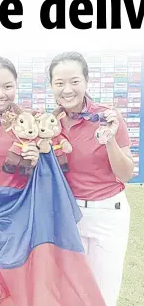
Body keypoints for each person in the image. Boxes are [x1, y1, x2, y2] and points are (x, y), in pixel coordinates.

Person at [0, 56, 106, 306]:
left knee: (24, 286)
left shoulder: (31, 123)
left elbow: (50, 167)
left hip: (25, 221)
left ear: (16, 86)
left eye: (8, 86)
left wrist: (37, 158)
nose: (1, 94)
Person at [48, 51, 134, 306]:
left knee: (103, 295)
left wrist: (109, 141)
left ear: (86, 82)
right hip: (68, 216)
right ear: (51, 85)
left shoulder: (108, 117)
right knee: (70, 292)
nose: (67, 89)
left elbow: (126, 174)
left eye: (74, 81)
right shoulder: (50, 124)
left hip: (108, 213)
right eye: (59, 83)